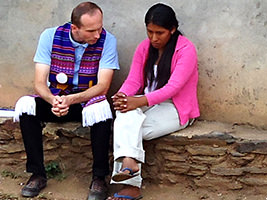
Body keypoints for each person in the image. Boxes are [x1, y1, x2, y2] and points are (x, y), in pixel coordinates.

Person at [13, 2, 119, 199]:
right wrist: (54, 100)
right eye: (91, 30)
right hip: (56, 99)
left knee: (103, 110)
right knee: (26, 107)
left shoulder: (108, 41)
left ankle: (99, 178)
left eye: (100, 28)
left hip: (85, 101)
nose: (98, 35)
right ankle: (37, 174)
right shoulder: (50, 36)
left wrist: (70, 100)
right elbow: (39, 82)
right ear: (75, 28)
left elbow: (102, 86)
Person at [107, 3, 199, 200]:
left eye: (160, 33)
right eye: (150, 32)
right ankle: (130, 167)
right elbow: (134, 80)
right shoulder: (144, 47)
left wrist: (138, 102)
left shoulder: (186, 49)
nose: (154, 38)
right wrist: (122, 96)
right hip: (148, 104)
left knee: (131, 128)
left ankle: (129, 184)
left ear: (172, 30)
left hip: (176, 107)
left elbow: (173, 88)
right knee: (124, 113)